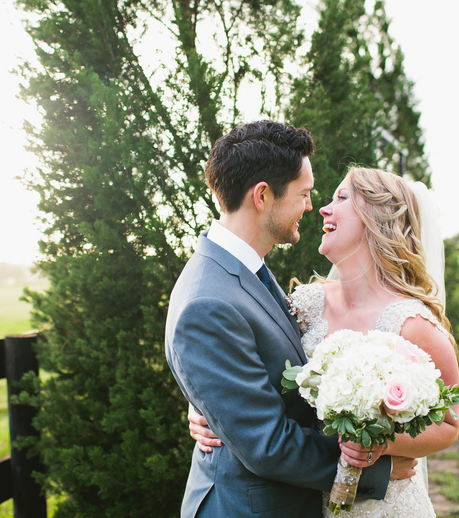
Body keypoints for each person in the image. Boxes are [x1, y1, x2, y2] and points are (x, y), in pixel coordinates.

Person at [165, 122, 412, 518]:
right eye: (304, 194)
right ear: (262, 195)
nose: (312, 207)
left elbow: (249, 385)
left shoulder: (243, 269)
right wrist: (375, 470)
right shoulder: (208, 302)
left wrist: (209, 407)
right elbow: (266, 445)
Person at [189, 166, 459, 518]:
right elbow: (238, 355)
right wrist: (205, 405)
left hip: (382, 504)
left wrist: (375, 440)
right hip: (303, 498)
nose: (322, 208)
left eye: (342, 198)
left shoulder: (414, 325)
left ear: (376, 218)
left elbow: (449, 424)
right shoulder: (306, 305)